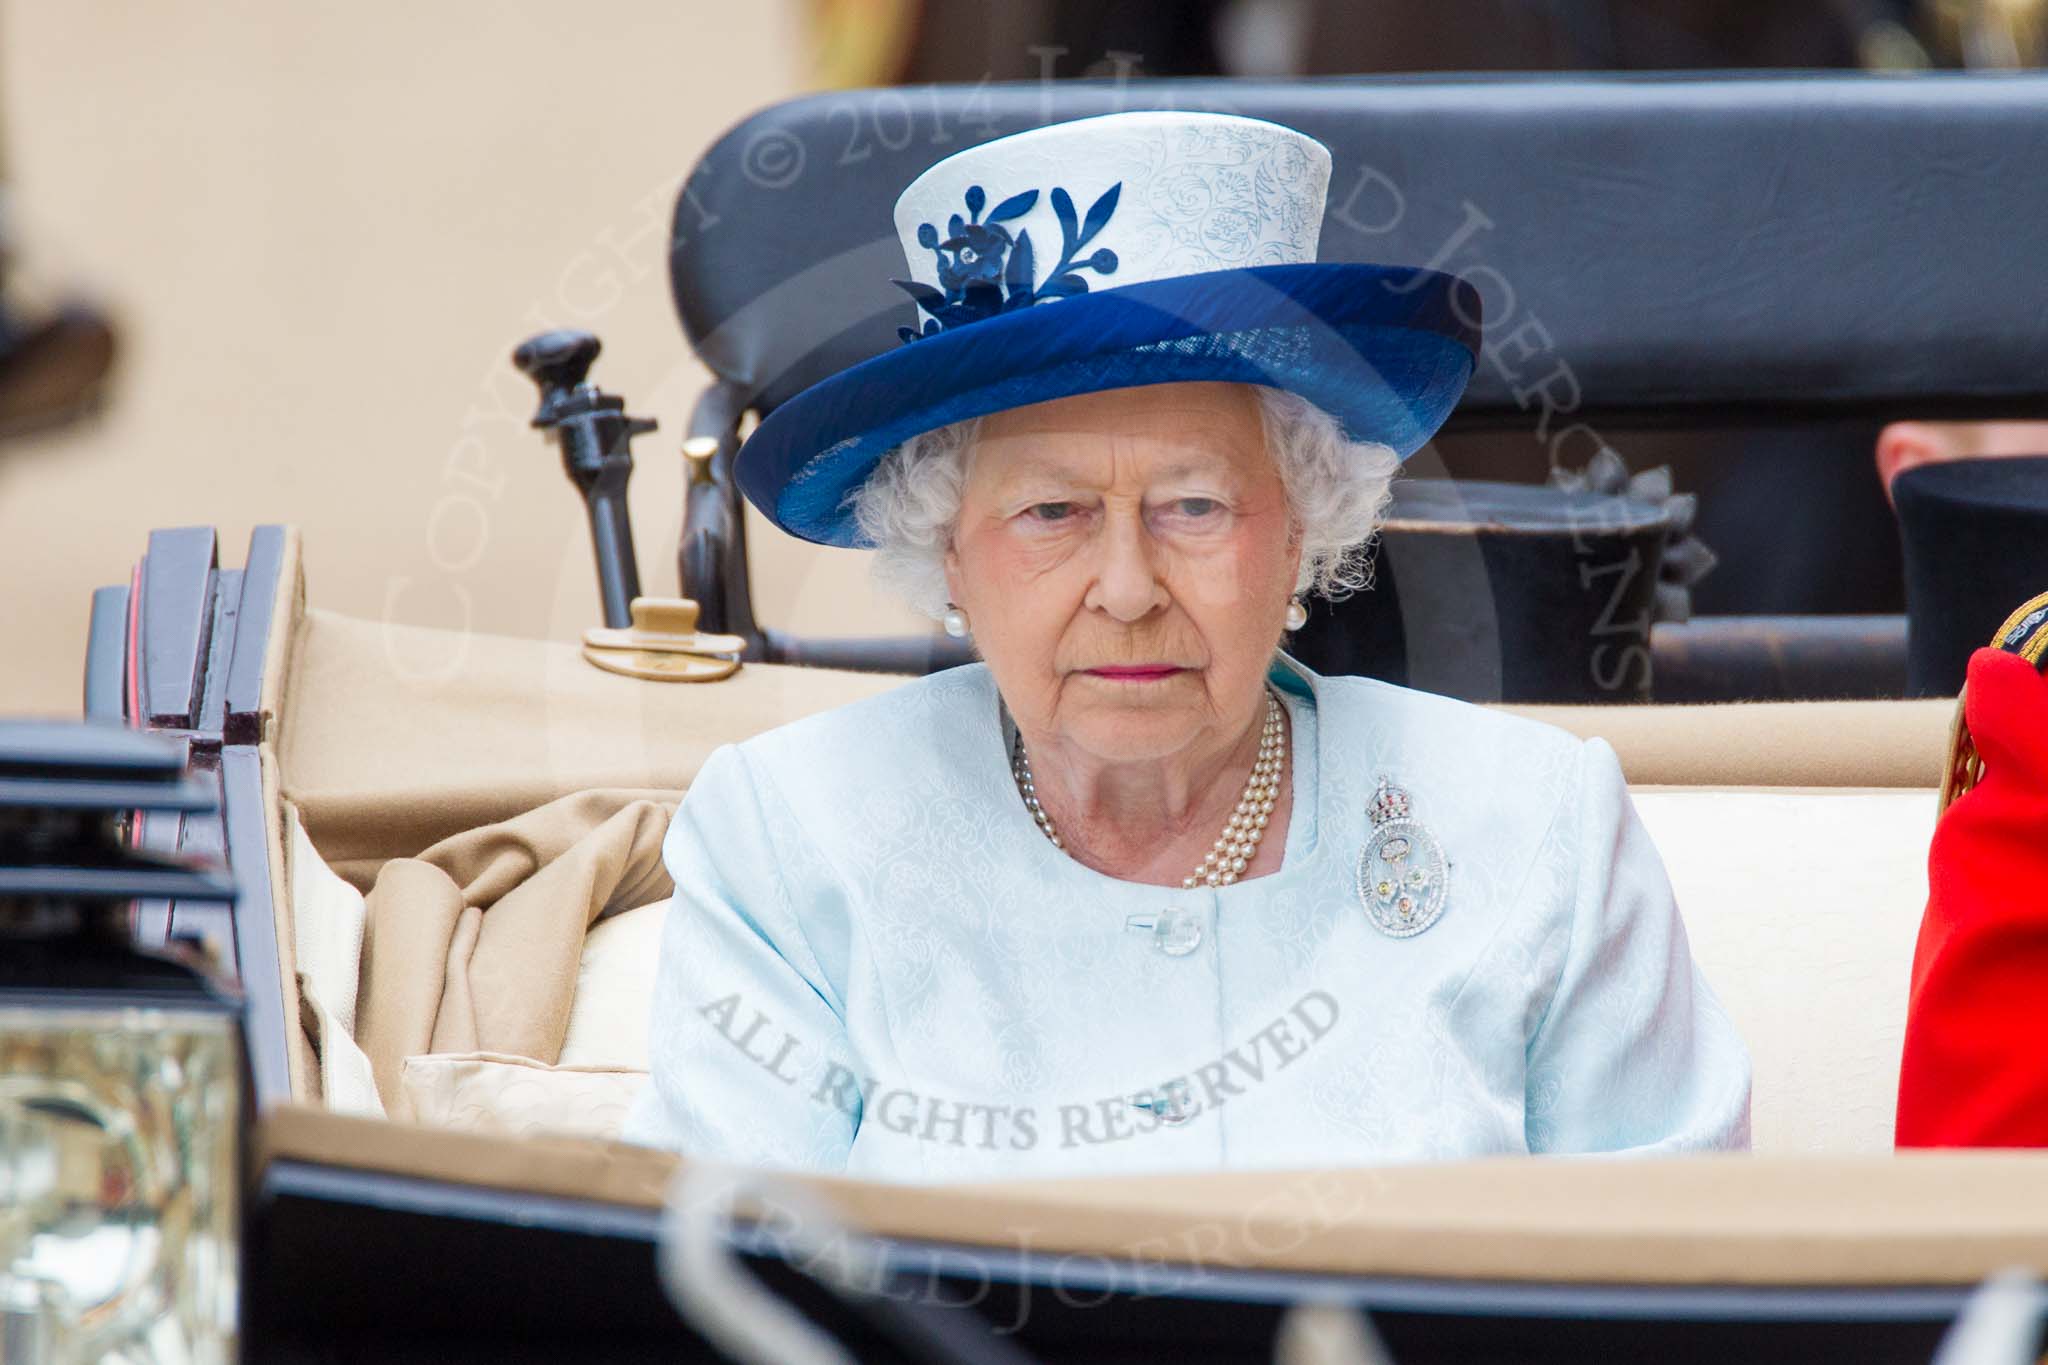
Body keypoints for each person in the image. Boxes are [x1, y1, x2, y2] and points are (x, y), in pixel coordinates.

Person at [621, 111, 1751, 1180]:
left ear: (1301, 525)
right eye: (1050, 513)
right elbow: (719, 1291)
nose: (1125, 590)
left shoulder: (1535, 825)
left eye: (1194, 507)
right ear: (950, 552)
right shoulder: (789, 841)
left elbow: (1672, 1276)